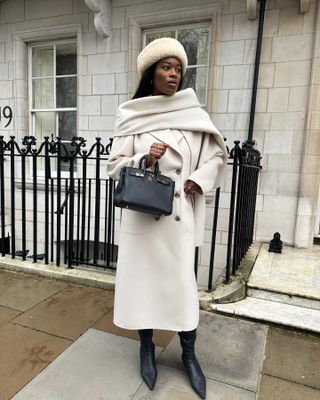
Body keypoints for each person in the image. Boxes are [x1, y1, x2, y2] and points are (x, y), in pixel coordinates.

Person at [106, 37, 227, 399]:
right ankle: (147, 348)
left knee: (182, 289)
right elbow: (113, 166)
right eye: (166, 68)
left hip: (179, 219)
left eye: (178, 69)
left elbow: (217, 158)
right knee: (144, 286)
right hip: (145, 221)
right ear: (151, 73)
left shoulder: (195, 115)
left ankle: (189, 355)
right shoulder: (134, 115)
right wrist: (145, 159)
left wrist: (197, 179)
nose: (174, 75)